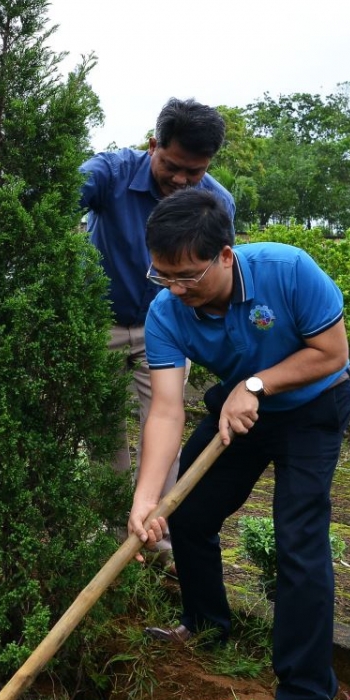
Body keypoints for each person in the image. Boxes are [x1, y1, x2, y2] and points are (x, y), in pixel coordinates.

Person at [127, 188, 350, 700]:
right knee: (190, 513)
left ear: (225, 255)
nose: (177, 290)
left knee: (298, 539)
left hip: (312, 408)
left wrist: (257, 384)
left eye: (188, 275)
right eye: (164, 276)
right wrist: (145, 496)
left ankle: (305, 696)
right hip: (240, 412)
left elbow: (332, 354)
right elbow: (165, 407)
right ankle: (205, 624)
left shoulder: (288, 270)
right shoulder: (165, 312)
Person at [80, 99, 235, 560]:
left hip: (166, 330)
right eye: (172, 166)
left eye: (196, 170)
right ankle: (114, 534)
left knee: (161, 429)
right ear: (153, 146)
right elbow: (52, 198)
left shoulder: (217, 202)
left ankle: (160, 540)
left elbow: (219, 273)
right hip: (101, 322)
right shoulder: (110, 173)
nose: (183, 180)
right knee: (104, 434)